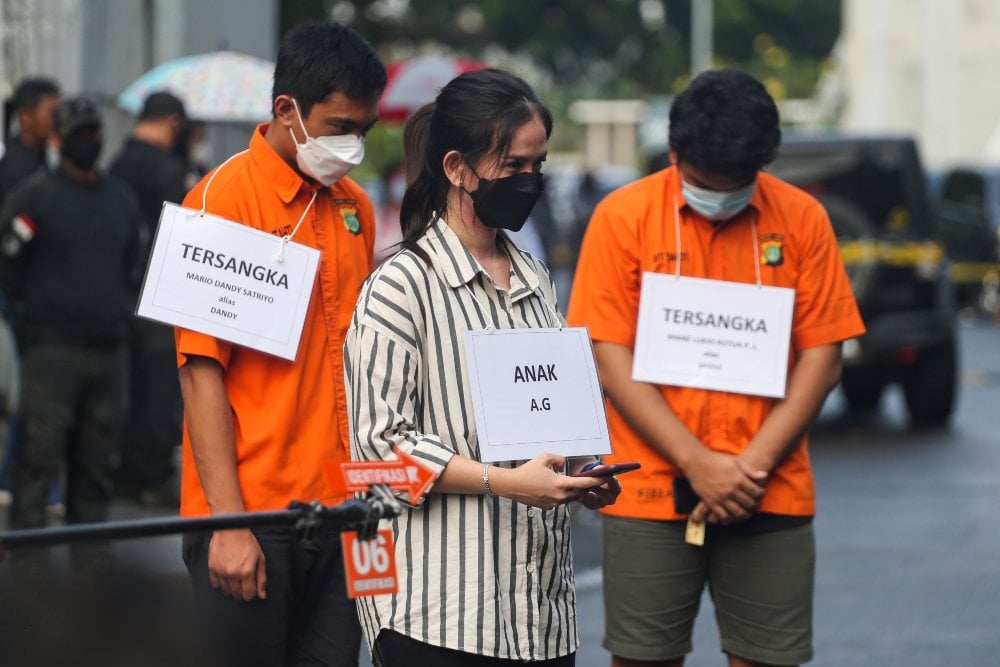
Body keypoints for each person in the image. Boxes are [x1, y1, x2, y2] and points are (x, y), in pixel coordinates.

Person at [567, 69, 866, 667]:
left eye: (741, 185)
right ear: (675, 152)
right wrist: (697, 463)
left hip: (769, 489)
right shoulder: (623, 218)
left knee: (769, 658)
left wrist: (747, 468)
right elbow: (608, 353)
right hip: (648, 490)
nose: (724, 198)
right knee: (643, 658)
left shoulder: (802, 218)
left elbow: (823, 354)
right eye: (707, 184)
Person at [344, 68, 621, 667]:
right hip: (439, 614)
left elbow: (548, 415)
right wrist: (507, 481)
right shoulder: (400, 287)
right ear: (456, 168)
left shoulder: (534, 278)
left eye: (538, 166)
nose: (528, 181)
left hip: (540, 615)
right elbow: (377, 454)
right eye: (513, 166)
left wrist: (581, 469)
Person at [174, 22, 386, 667]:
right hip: (254, 512)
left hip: (348, 508)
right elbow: (200, 372)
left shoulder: (356, 207)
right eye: (339, 126)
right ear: (285, 111)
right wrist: (227, 525)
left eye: (364, 131)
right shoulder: (217, 203)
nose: (352, 145)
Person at [0, 96, 140, 572]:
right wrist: (31, 316)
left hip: (109, 352)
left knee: (97, 464)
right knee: (38, 461)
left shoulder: (120, 198)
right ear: (57, 140)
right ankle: (28, 572)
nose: (90, 141)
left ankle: (91, 570)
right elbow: (8, 263)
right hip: (50, 353)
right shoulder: (35, 196)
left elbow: (132, 266)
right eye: (78, 133)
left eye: (94, 132)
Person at [109, 90, 189, 507]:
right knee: (160, 389)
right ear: (173, 123)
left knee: (131, 386)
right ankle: (151, 474)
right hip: (160, 292)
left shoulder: (117, 163)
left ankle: (125, 471)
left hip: (120, 291)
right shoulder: (166, 169)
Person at [0, 77, 60, 506]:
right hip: (20, 301)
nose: (56, 121)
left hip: (35, 300)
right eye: (49, 113)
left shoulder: (44, 162)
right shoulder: (18, 169)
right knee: (31, 389)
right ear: (25, 116)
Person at [0, 77, 60, 202]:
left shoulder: (47, 154)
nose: (57, 121)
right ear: (25, 116)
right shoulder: (11, 166)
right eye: (52, 114)